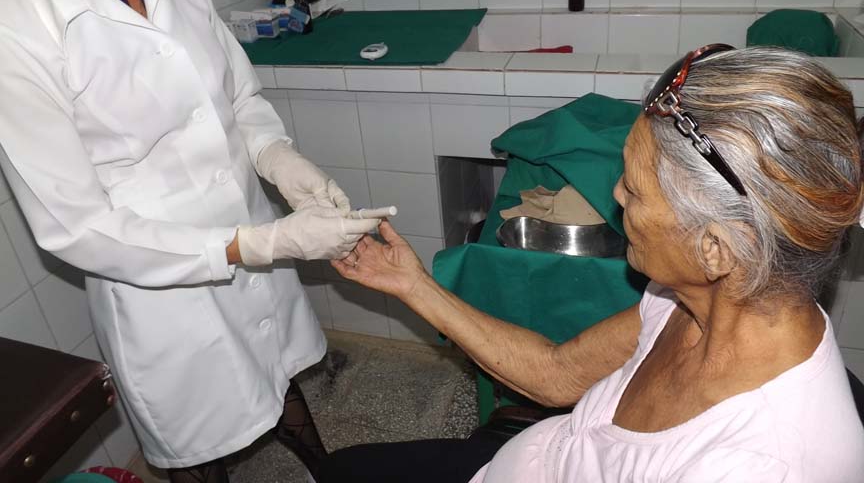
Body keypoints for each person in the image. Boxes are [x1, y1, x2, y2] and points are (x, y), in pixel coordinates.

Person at [0, 0, 382, 481]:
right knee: (202, 440)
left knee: (280, 374)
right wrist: (257, 245)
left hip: (249, 227)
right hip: (160, 285)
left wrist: (277, 155)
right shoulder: (16, 18)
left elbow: (235, 94)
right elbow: (75, 225)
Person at [323, 46, 864, 482]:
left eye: (634, 188)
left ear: (715, 249)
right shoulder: (686, 301)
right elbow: (557, 374)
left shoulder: (761, 465)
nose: (615, 196)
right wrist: (413, 284)